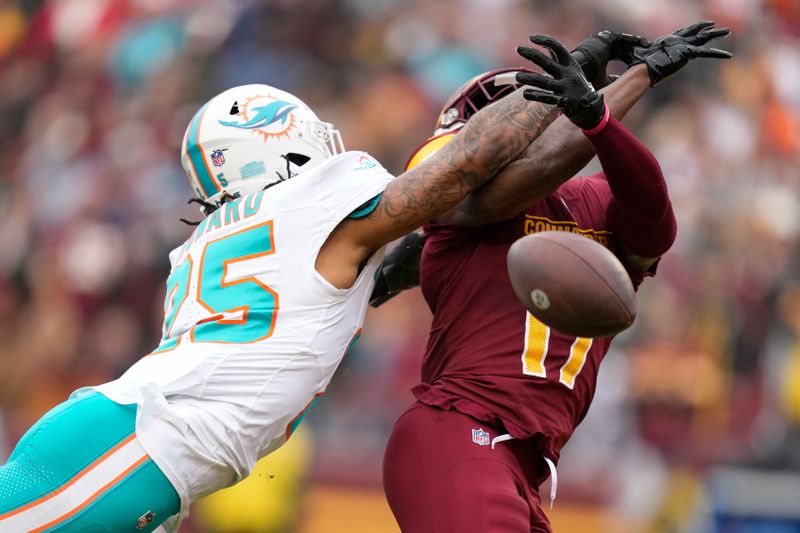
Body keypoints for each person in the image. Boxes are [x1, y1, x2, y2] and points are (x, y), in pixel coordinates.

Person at [0, 35, 569, 531]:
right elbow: (460, 169)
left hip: (128, 443)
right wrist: (566, 89)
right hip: (140, 448)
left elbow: (371, 280)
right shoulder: (311, 203)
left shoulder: (220, 241)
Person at [379, 23, 731, 533]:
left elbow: (655, 220)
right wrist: (618, 93)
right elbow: (509, 176)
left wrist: (602, 118)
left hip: (525, 463)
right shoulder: (449, 190)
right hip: (460, 432)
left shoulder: (594, 201)